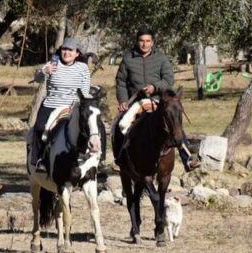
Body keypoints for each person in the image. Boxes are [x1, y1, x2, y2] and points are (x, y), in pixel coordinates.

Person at [113, 27, 200, 171]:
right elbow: (121, 81)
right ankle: (120, 159)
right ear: (137, 41)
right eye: (141, 41)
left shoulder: (161, 58)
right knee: (121, 124)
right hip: (136, 101)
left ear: (152, 42)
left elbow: (168, 79)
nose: (144, 44)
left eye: (148, 41)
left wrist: (155, 87)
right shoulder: (128, 59)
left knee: (174, 123)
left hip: (159, 100)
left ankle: (187, 158)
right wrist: (122, 100)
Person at [29, 37, 92, 170]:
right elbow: (37, 79)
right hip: (52, 104)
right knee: (40, 128)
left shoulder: (83, 68)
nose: (67, 53)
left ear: (77, 53)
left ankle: (96, 158)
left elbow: (85, 91)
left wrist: (86, 106)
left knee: (95, 127)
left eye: (70, 50)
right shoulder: (53, 63)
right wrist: (44, 71)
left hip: (72, 106)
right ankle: (40, 159)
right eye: (64, 49)